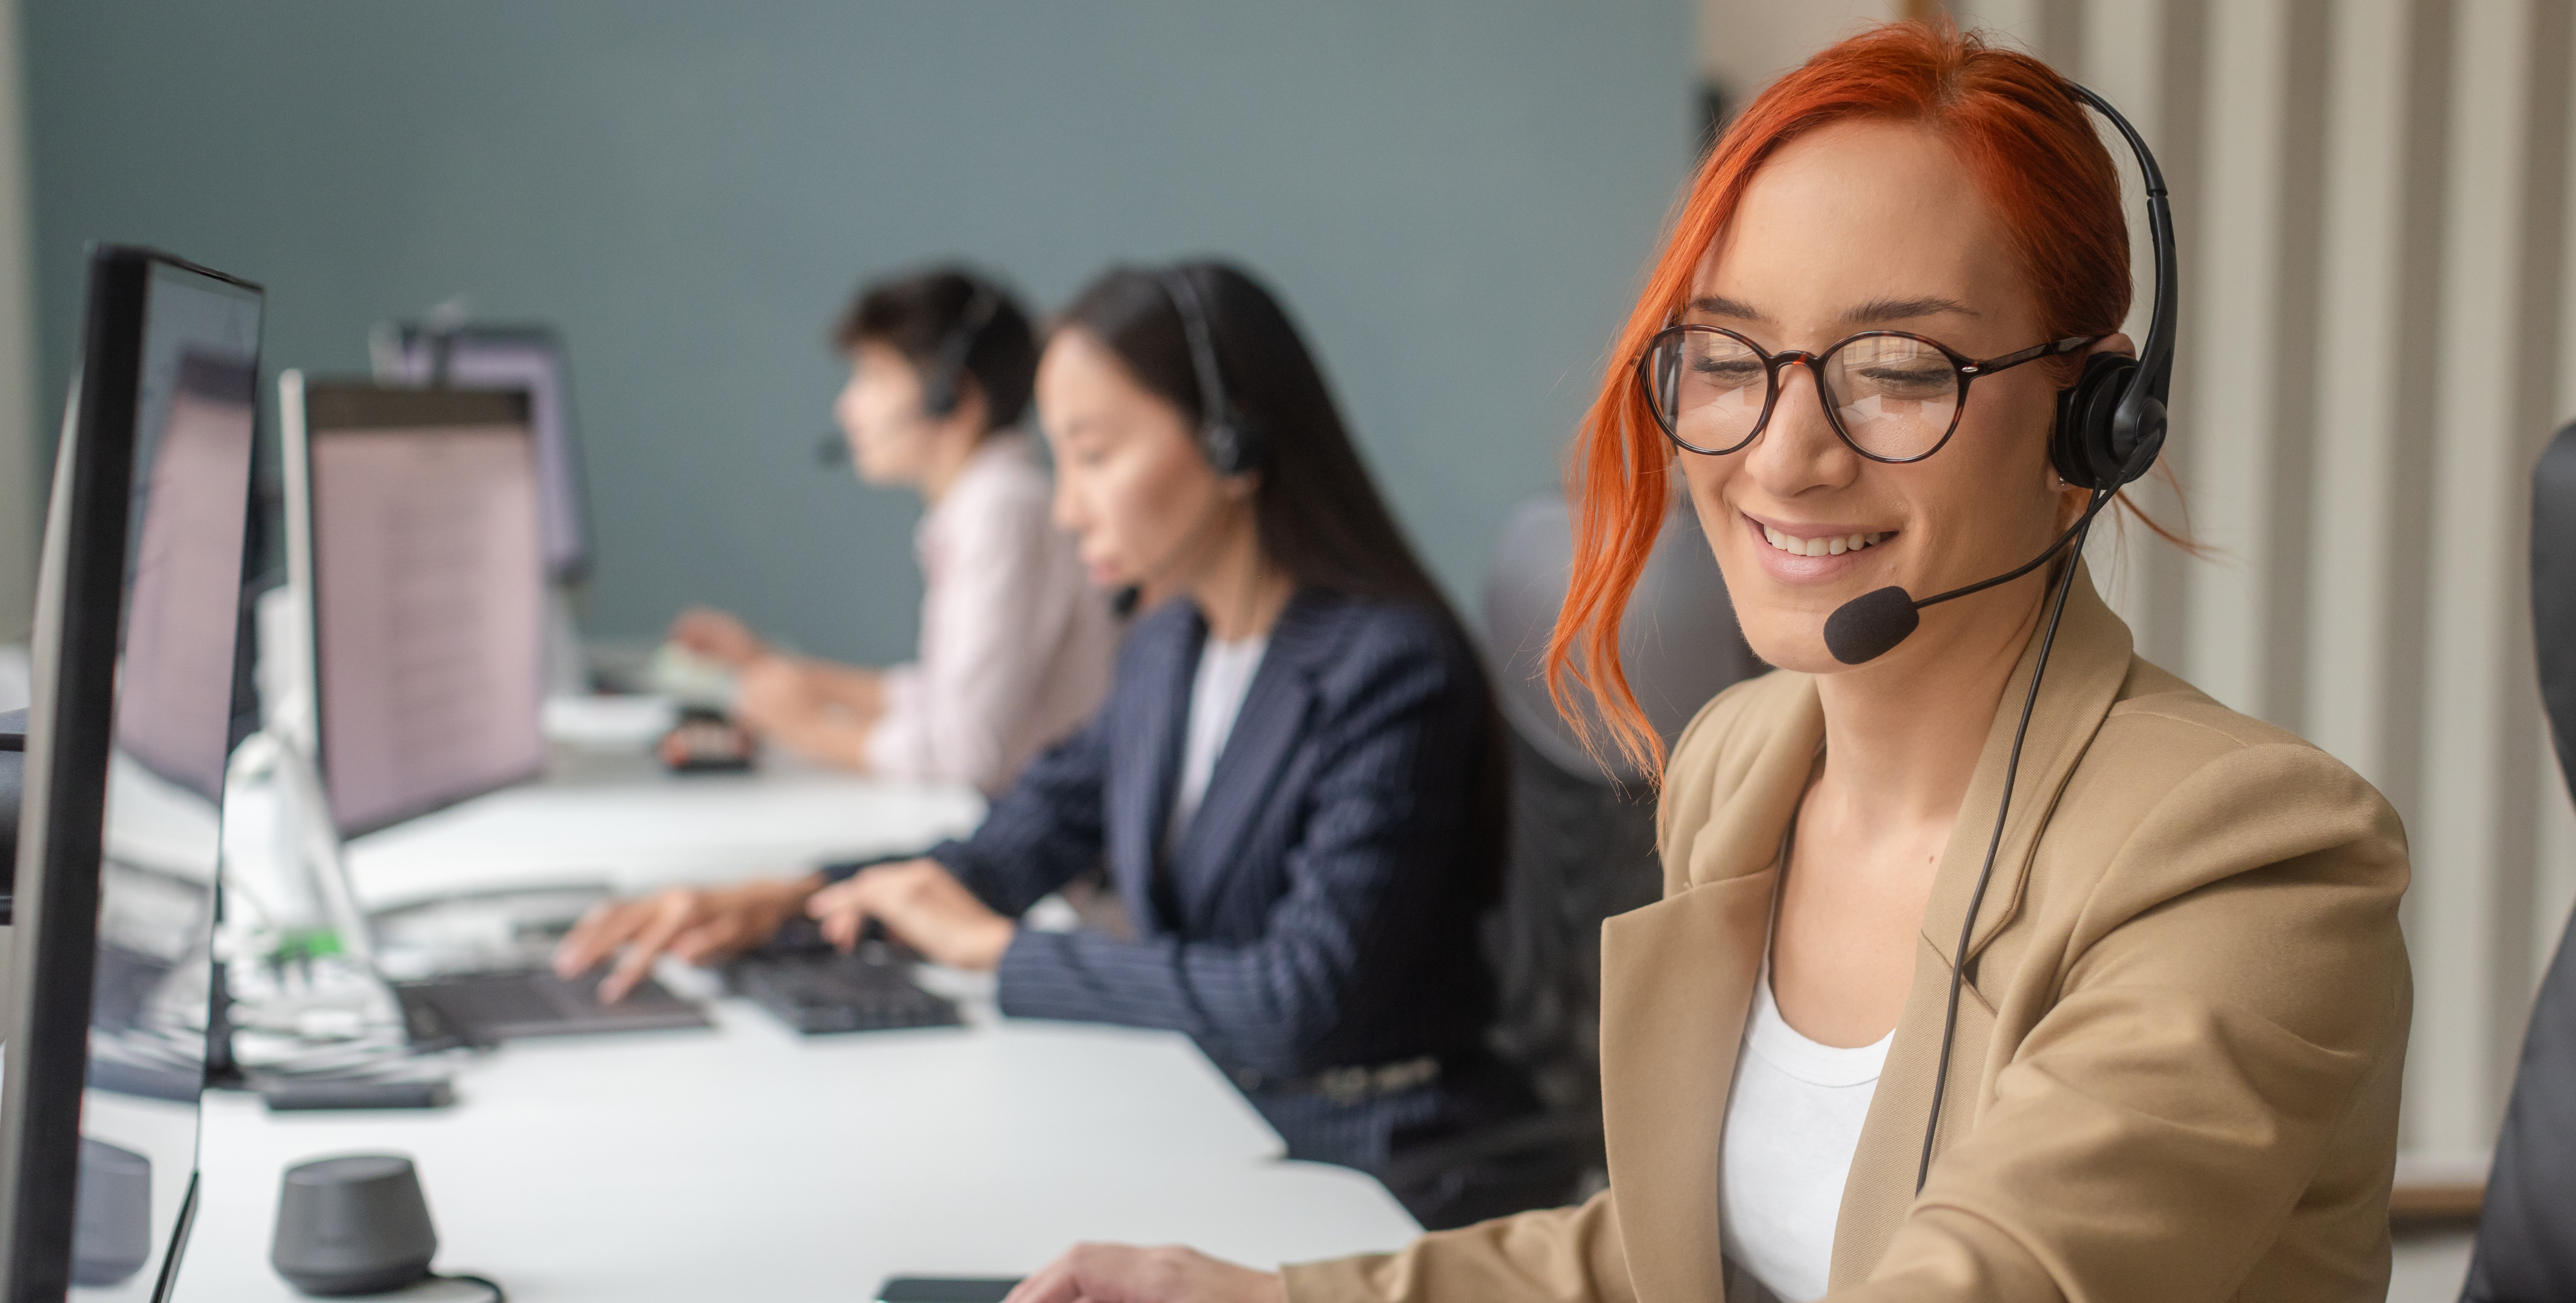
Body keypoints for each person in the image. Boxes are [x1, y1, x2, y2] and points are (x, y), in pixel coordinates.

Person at [1005, 22, 2411, 1303]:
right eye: (1729, 359)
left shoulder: (2248, 855)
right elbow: (1662, 1257)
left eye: (1899, 366)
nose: (1786, 457)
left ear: (2093, 421)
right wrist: (1259, 1296)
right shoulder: (1746, 760)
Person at [559, 261, 1544, 1228]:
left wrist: (997, 952)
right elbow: (1011, 846)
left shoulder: (1388, 667)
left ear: (1232, 440)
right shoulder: (1168, 645)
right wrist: (789, 896)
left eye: (1096, 453)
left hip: (1380, 1162)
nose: (1067, 507)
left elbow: (1298, 1000)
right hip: (1226, 1113)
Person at [667, 267, 1118, 792]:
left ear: (951, 397)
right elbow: (944, 695)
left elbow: (964, 753)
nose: (848, 407)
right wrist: (785, 671)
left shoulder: (1002, 508)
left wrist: (807, 726)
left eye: (875, 377)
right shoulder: (984, 502)